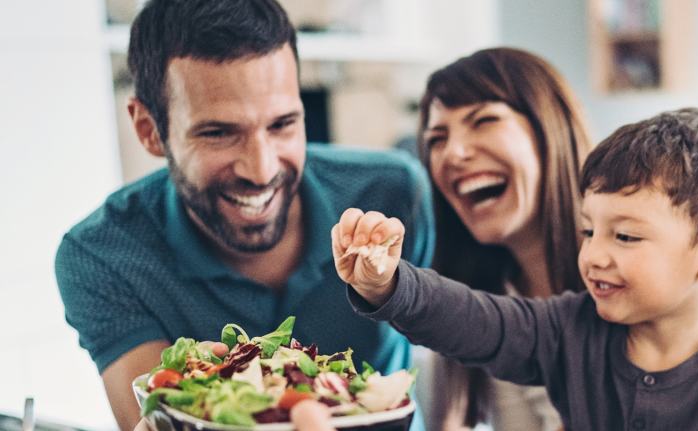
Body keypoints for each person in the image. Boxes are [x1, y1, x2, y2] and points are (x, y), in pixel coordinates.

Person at [54, 1, 434, 430]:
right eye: (218, 133)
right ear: (148, 129)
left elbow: (465, 330)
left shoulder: (395, 192)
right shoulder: (102, 256)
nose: (263, 170)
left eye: (283, 124)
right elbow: (167, 414)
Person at [332, 107, 698, 430]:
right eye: (588, 230)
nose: (593, 255)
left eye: (626, 237)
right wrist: (387, 282)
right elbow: (472, 318)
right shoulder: (566, 330)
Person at [414, 48, 592, 430]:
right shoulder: (485, 308)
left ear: (551, 129)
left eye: (484, 120)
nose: (454, 154)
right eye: (437, 139)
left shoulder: (658, 281)